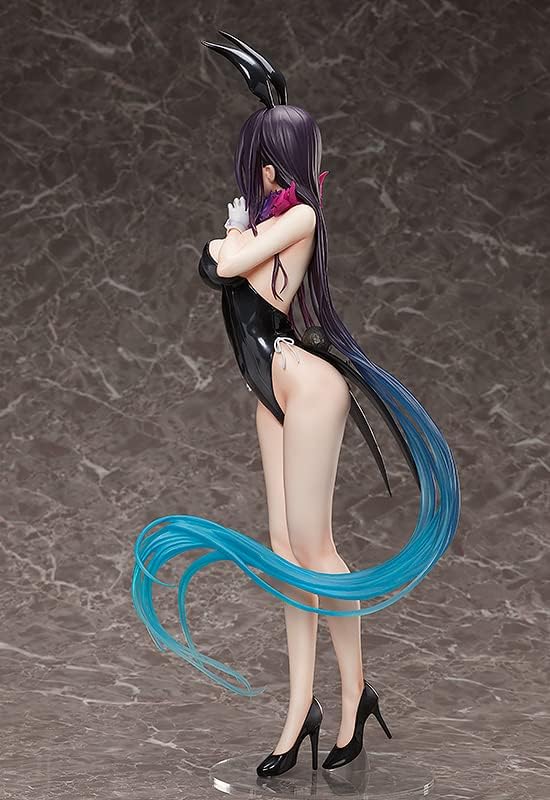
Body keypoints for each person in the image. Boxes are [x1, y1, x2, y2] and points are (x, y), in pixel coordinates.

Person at [131, 31, 461, 778]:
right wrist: (233, 236)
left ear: (278, 163)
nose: (260, 172)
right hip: (269, 390)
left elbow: (221, 264)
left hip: (303, 383)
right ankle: (298, 712)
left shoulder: (300, 217)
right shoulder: (273, 215)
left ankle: (353, 699)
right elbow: (223, 263)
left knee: (315, 551)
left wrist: (231, 236)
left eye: (266, 159)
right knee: (285, 557)